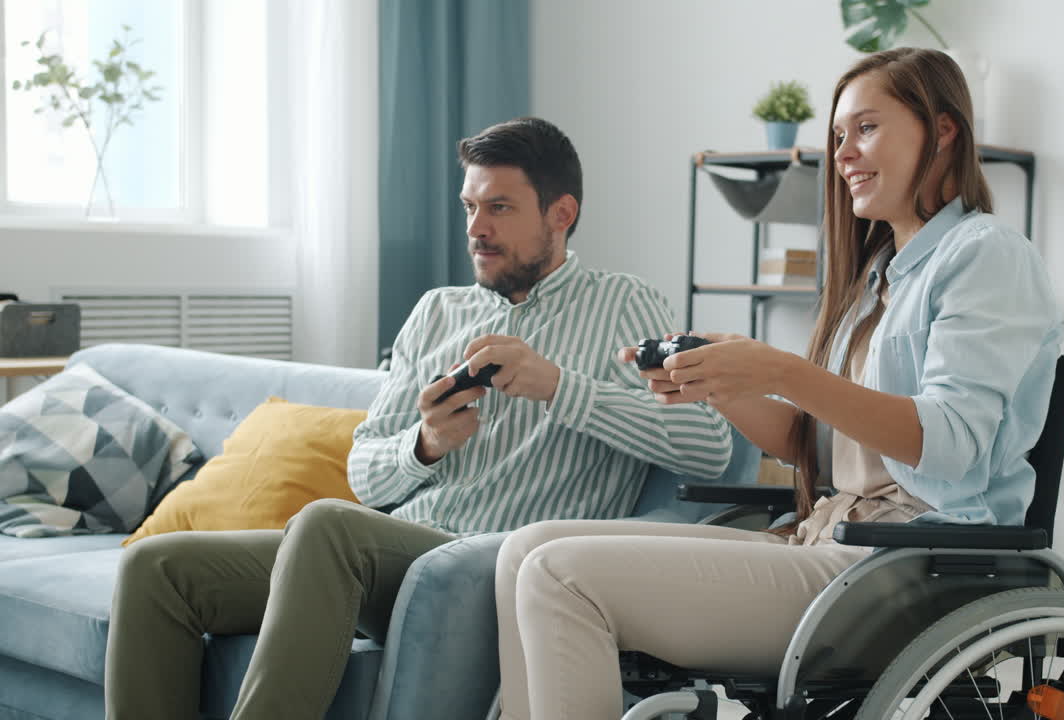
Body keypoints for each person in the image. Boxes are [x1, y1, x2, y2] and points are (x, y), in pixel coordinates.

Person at [494, 48, 1064, 720]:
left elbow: (954, 447)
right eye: (839, 135)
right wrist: (724, 386)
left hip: (910, 568)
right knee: (525, 550)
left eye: (867, 128)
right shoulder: (880, 277)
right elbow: (822, 450)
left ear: (944, 131)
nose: (844, 153)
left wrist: (781, 370)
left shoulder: (985, 254)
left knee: (562, 577)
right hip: (837, 541)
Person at [103, 117, 732, 720]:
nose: (476, 228)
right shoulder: (436, 312)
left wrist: (559, 387)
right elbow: (366, 475)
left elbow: (709, 446)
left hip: (489, 565)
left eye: (500, 208)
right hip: (389, 556)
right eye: (470, 207)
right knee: (156, 570)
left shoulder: (627, 303)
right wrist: (425, 444)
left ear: (560, 214)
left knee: (327, 527)